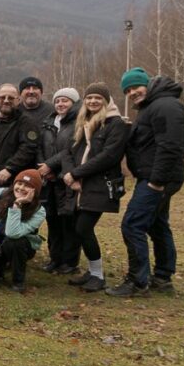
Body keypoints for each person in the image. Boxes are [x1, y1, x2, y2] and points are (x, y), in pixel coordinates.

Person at [107, 68, 184, 297]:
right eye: (128, 90)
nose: (133, 92)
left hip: (157, 179)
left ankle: (137, 282)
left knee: (132, 224)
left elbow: (171, 145)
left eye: (136, 87)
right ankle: (163, 277)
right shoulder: (153, 107)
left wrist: (156, 181)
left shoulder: (165, 106)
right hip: (156, 176)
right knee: (157, 224)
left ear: (148, 84)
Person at [52, 83, 128, 292]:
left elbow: (109, 157)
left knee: (83, 228)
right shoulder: (82, 122)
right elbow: (67, 151)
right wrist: (69, 174)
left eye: (98, 98)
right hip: (78, 185)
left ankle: (98, 275)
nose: (93, 101)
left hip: (99, 185)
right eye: (89, 98)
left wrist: (77, 173)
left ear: (106, 100)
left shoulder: (116, 125)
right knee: (79, 229)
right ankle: (93, 272)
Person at [0, 169, 47, 293]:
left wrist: (17, 205)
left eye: (28, 186)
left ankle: (18, 281)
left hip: (18, 246)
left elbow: (13, 233)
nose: (21, 188)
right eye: (19, 183)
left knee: (15, 241)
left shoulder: (39, 211)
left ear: (35, 190)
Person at [36, 87, 81, 275]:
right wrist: (45, 169)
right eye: (58, 101)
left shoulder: (79, 123)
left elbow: (70, 149)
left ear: (74, 103)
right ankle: (55, 258)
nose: (61, 104)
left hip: (68, 178)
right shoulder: (48, 122)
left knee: (68, 220)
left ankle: (69, 262)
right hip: (49, 179)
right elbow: (39, 146)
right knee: (52, 219)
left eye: (65, 101)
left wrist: (51, 166)